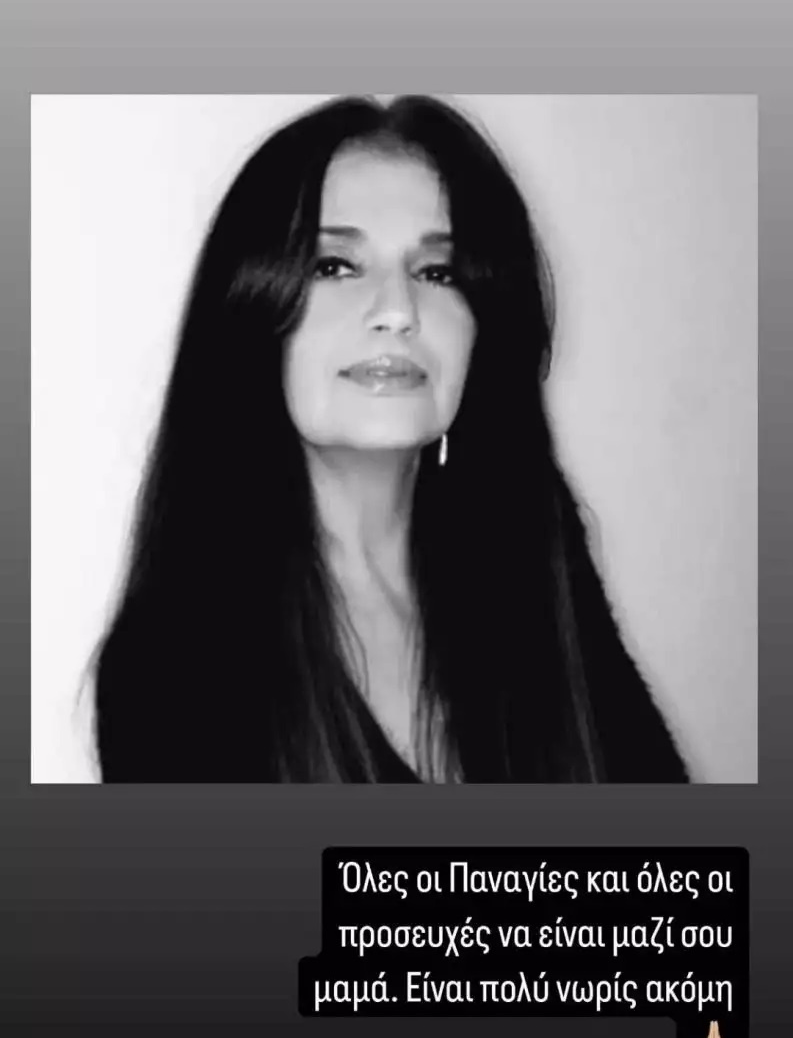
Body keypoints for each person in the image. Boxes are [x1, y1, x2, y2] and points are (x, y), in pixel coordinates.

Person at [91, 94, 690, 783]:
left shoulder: (536, 556)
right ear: (250, 308)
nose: (398, 311)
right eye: (334, 266)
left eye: (438, 272)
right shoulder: (169, 660)